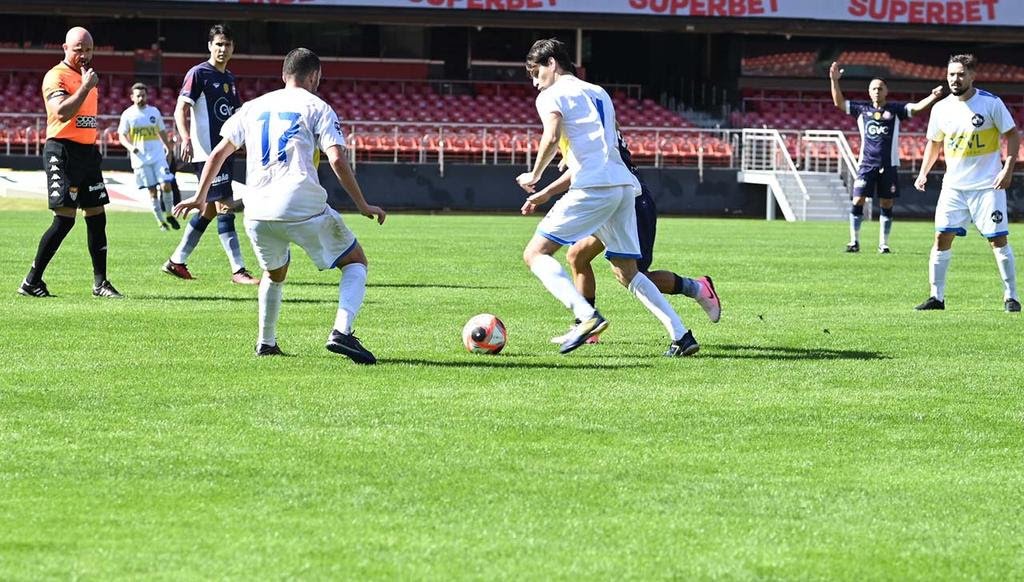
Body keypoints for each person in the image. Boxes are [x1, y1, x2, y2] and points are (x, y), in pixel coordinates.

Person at [174, 47, 387, 361]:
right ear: (314, 76)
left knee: (274, 273)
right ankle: (342, 332)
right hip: (300, 203)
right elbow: (337, 158)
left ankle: (266, 343)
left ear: (284, 74)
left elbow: (219, 152)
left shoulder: (253, 106)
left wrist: (200, 195)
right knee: (355, 262)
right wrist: (363, 204)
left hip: (257, 208)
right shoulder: (318, 106)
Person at [515, 38, 696, 356]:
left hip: (593, 187)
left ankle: (586, 317)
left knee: (535, 253)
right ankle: (682, 336)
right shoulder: (599, 92)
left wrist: (534, 174)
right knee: (629, 272)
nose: (535, 82)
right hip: (624, 185)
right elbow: (607, 141)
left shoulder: (551, 95)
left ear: (552, 64)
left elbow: (552, 133)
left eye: (535, 72)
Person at [522, 132, 721, 346]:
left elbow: (590, 164)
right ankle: (586, 325)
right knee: (578, 256)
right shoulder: (598, 114)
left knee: (634, 275)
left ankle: (697, 288)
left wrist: (545, 189)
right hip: (610, 195)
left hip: (629, 199)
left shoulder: (579, 116)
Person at [18, 26, 121, 299]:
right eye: (78, 50)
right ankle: (31, 281)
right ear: (65, 49)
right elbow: (62, 112)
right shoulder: (56, 76)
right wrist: (86, 87)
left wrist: (87, 85)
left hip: (87, 153)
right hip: (62, 152)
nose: (84, 55)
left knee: (97, 216)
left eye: (88, 50)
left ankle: (101, 284)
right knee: (64, 220)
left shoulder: (87, 77)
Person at [914, 54, 1020, 313]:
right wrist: (923, 172)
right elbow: (934, 143)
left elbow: (1012, 134)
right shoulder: (941, 108)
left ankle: (1011, 296)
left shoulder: (991, 103)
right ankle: (936, 297)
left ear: (972, 75)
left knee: (998, 240)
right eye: (951, 74)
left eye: (960, 74)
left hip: (987, 187)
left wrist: (1008, 168)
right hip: (954, 187)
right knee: (941, 237)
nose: (955, 79)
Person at [163, 23, 258, 285]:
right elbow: (180, 109)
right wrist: (184, 137)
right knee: (225, 204)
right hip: (207, 152)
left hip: (224, 151)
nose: (222, 49)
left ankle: (177, 260)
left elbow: (236, 116)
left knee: (210, 210)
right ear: (209, 46)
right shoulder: (199, 73)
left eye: (227, 45)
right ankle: (238, 270)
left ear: (232, 48)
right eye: (218, 44)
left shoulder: (229, 78)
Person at [829, 62, 943, 253]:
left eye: (880, 88)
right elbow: (839, 103)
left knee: (886, 203)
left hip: (889, 165)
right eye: (873, 88)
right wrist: (834, 81)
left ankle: (883, 243)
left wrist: (932, 96)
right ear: (869, 91)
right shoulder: (861, 110)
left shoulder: (895, 110)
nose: (876, 91)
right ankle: (854, 241)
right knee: (858, 200)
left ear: (886, 91)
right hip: (866, 164)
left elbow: (915, 108)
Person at [117, 82, 179, 231]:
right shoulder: (128, 114)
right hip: (141, 159)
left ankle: (169, 214)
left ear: (147, 96)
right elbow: (121, 135)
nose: (141, 98)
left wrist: (167, 147)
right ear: (132, 97)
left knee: (166, 184)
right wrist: (131, 147)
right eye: (138, 95)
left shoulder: (154, 112)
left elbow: (162, 131)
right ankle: (160, 221)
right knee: (152, 191)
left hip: (158, 156)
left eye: (143, 95)